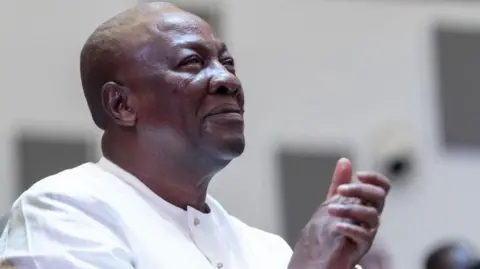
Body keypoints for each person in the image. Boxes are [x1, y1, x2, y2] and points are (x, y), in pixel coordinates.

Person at [0, 2, 390, 268]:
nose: (227, 80)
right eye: (191, 63)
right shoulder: (62, 212)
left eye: (228, 62)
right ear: (122, 105)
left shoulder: (267, 251)